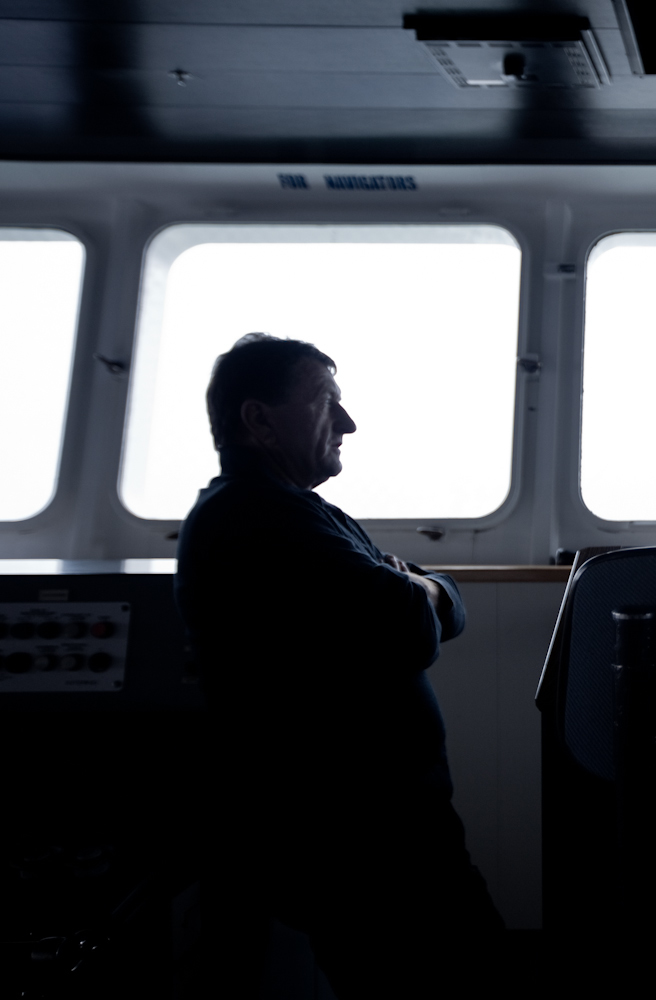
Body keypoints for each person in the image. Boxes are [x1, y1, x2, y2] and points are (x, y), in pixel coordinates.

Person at [175, 334, 503, 998]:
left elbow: (443, 608)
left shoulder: (300, 513)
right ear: (259, 420)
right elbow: (410, 624)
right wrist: (418, 589)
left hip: (384, 827)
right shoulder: (255, 517)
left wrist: (423, 589)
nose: (348, 423)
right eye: (326, 402)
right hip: (359, 839)